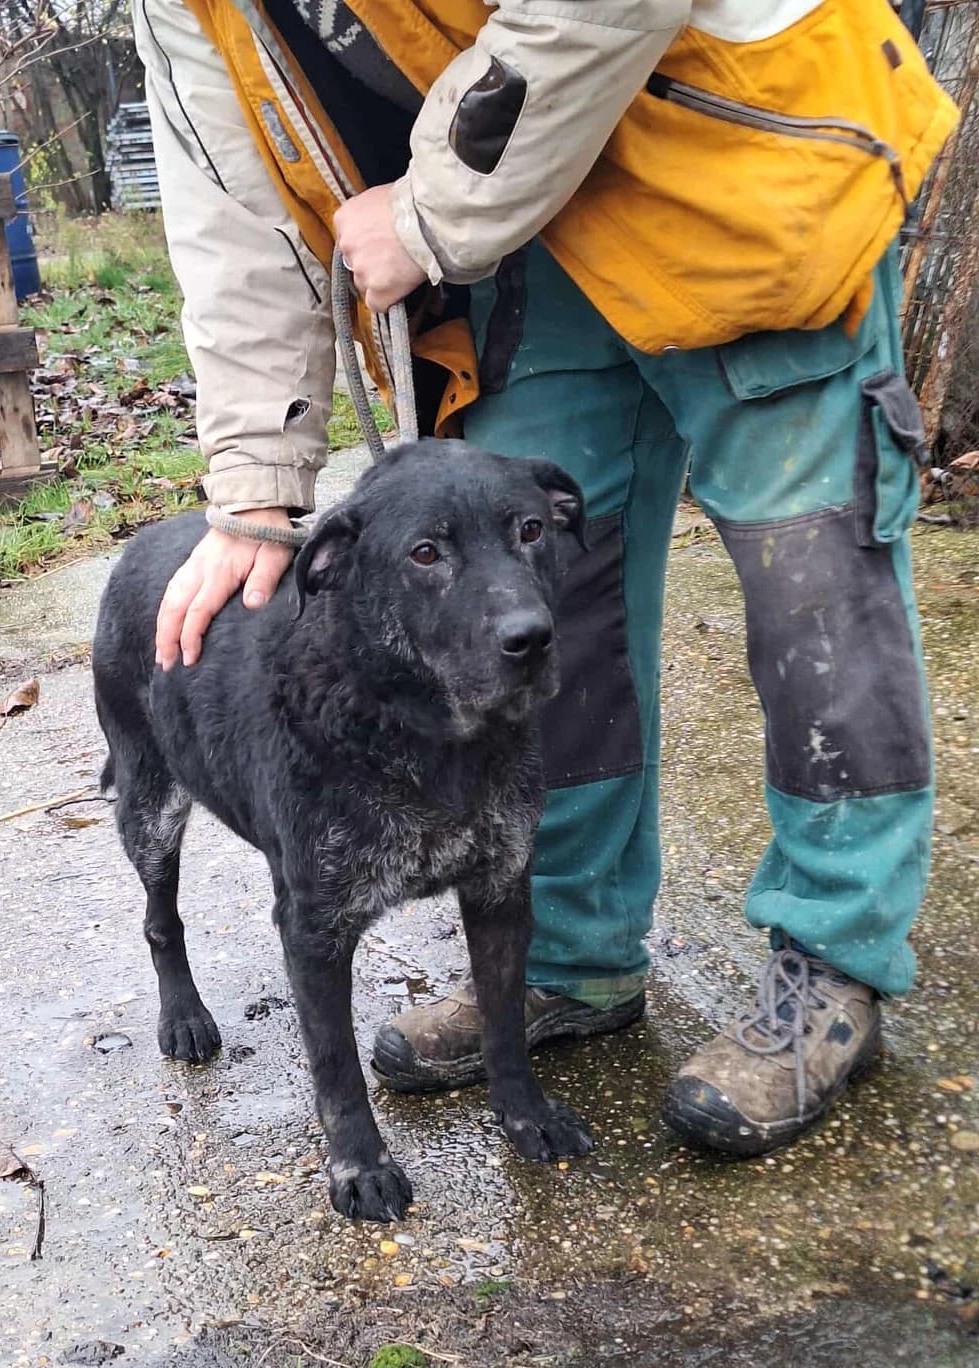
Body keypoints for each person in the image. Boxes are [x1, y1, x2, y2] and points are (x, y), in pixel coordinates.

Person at [130, 0, 957, 1157]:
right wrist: (260, 490)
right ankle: (568, 956)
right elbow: (236, 211)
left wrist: (424, 214)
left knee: (817, 582)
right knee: (541, 611)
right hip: (522, 240)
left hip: (740, 159)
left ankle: (834, 961)